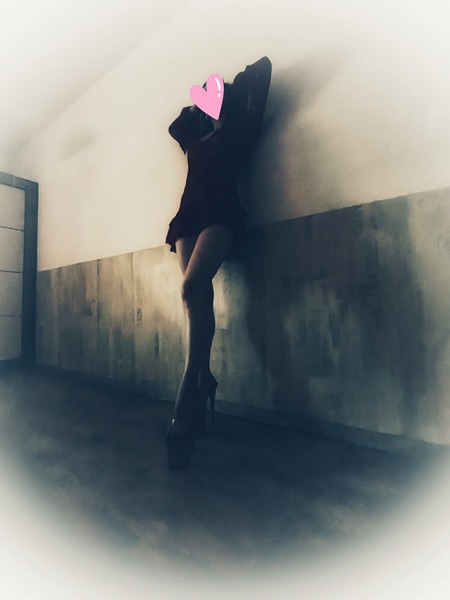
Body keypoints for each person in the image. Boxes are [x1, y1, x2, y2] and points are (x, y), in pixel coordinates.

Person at [165, 56, 272, 469]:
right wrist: (199, 105)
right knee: (196, 297)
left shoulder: (242, 129)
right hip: (188, 215)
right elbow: (176, 125)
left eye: (214, 100)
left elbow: (261, 70)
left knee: (191, 286)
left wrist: (226, 92)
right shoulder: (195, 137)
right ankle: (205, 377)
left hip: (221, 211)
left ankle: (188, 390)